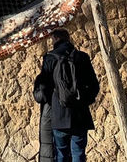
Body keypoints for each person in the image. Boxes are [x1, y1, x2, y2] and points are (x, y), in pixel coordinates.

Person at [33, 29, 100, 162]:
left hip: (59, 115)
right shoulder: (82, 57)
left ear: (56, 39)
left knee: (61, 154)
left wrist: (48, 100)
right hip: (80, 115)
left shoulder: (50, 58)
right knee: (79, 153)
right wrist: (84, 101)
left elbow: (43, 88)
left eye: (52, 39)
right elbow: (94, 86)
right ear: (68, 38)